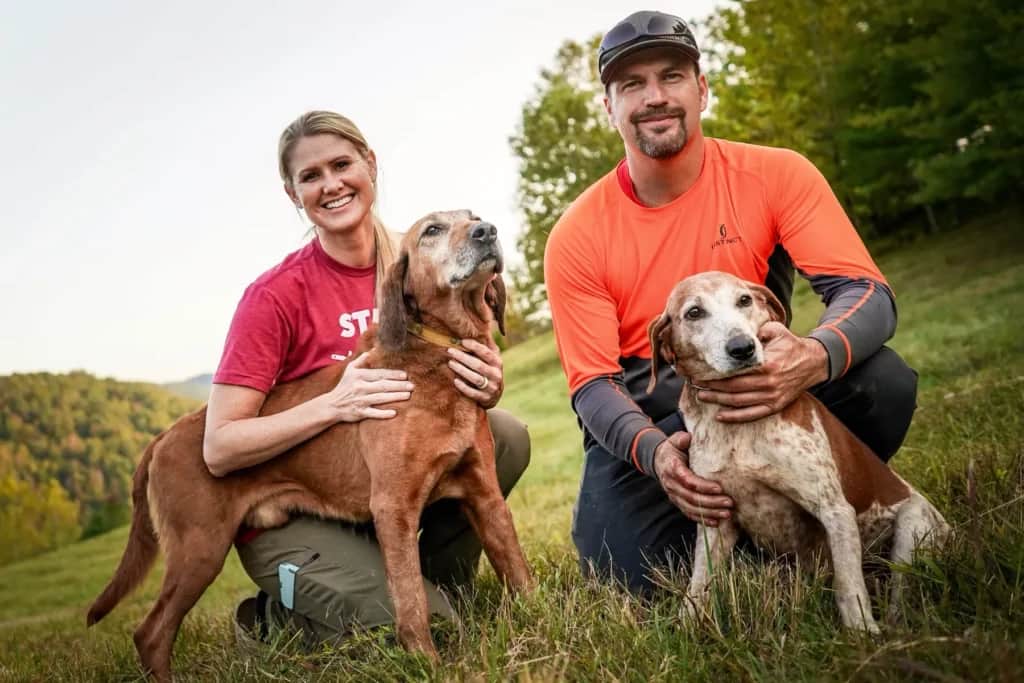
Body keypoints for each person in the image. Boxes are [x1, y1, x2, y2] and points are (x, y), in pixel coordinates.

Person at [544, 11, 917, 593]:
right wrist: (659, 456)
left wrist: (811, 357)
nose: (655, 97)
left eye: (671, 75)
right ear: (608, 107)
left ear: (702, 88)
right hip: (655, 412)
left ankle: (819, 511)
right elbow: (591, 384)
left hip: (768, 380)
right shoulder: (577, 233)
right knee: (627, 570)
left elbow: (866, 293)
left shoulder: (776, 173)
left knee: (882, 379)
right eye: (631, 85)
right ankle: (750, 545)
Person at [203, 110, 530, 645]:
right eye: (310, 176)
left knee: (508, 435)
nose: (331, 184)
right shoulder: (273, 297)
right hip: (293, 506)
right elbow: (218, 447)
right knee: (425, 629)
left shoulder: (421, 256)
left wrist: (487, 383)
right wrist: (333, 403)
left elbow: (451, 375)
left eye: (341, 164)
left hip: (380, 486)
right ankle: (274, 617)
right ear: (293, 194)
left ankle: (431, 586)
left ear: (370, 166)